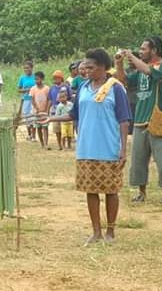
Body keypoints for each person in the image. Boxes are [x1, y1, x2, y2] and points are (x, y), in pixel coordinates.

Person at [45, 48, 129, 244]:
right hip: (86, 147)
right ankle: (96, 231)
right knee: (90, 190)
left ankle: (110, 232)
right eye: (85, 67)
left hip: (109, 147)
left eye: (90, 67)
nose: (86, 70)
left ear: (101, 67)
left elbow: (124, 120)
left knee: (111, 191)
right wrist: (51, 118)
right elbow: (74, 114)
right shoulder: (83, 87)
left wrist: (123, 149)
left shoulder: (115, 88)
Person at [115, 37, 162, 204]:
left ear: (154, 50)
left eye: (143, 49)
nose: (140, 52)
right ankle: (141, 192)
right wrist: (119, 64)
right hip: (140, 119)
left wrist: (131, 56)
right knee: (139, 160)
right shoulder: (140, 70)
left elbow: (149, 71)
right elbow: (123, 81)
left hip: (158, 119)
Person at [48, 70, 73, 150]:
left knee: (67, 129)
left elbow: (70, 97)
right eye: (54, 78)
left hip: (65, 109)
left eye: (57, 78)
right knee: (57, 129)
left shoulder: (66, 87)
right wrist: (47, 110)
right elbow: (50, 100)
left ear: (61, 78)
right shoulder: (52, 88)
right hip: (55, 109)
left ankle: (68, 144)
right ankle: (60, 145)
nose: (56, 79)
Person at [29, 71, 51, 150]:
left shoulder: (47, 88)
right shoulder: (33, 89)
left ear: (42, 79)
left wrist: (47, 109)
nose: (36, 81)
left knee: (45, 127)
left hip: (45, 111)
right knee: (38, 127)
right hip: (37, 112)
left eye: (38, 79)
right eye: (35, 79)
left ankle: (46, 143)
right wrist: (36, 108)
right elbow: (32, 100)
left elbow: (49, 99)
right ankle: (41, 143)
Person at [17, 61, 36, 141]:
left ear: (32, 68)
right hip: (26, 99)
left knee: (33, 116)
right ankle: (29, 134)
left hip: (34, 100)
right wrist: (26, 90)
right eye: (25, 68)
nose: (26, 69)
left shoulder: (35, 77)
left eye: (28, 68)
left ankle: (34, 135)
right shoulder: (22, 78)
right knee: (27, 117)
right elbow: (19, 89)